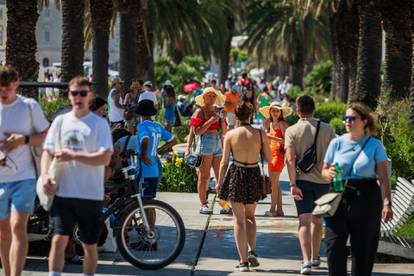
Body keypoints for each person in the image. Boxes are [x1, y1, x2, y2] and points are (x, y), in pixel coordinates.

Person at [42, 76, 113, 276]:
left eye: (83, 93)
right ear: (69, 95)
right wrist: (46, 175)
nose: (79, 97)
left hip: (90, 195)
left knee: (89, 244)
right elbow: (48, 151)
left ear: (90, 96)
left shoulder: (99, 124)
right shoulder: (60, 122)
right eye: (75, 93)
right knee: (58, 239)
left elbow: (104, 158)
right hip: (63, 192)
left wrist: (74, 155)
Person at [321, 102, 393, 276]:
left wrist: (387, 203)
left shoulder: (375, 145)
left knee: (363, 250)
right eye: (345, 118)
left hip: (366, 197)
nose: (348, 121)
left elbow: (383, 178)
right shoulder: (336, 143)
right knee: (334, 245)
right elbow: (324, 170)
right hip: (337, 192)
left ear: (364, 121)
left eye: (352, 118)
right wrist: (328, 173)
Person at [0, 66, 49, 276]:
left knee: (18, 226)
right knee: (3, 232)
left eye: (7, 88)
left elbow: (46, 135)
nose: (3, 93)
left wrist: (24, 140)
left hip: (25, 178)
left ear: (16, 84)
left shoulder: (29, 106)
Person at [216, 102, 271, 272]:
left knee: (238, 220)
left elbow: (224, 162)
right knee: (250, 217)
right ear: (251, 115)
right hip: (253, 174)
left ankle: (243, 261)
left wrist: (219, 182)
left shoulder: (231, 135)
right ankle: (252, 251)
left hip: (237, 174)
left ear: (237, 116)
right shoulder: (260, 134)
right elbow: (268, 157)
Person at [284, 95, 336, 275]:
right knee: (318, 221)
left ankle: (305, 261)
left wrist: (292, 184)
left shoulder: (291, 131)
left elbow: (290, 159)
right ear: (314, 109)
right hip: (324, 182)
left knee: (304, 221)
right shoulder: (328, 129)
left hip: (302, 182)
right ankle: (315, 257)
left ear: (297, 111)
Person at [190, 87, 227, 214]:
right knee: (204, 176)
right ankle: (203, 204)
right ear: (204, 98)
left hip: (216, 142)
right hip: (205, 142)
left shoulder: (217, 111)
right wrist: (210, 121)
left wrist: (223, 119)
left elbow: (224, 131)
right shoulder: (200, 111)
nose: (211, 98)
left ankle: (223, 203)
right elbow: (196, 132)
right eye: (209, 96)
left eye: (213, 96)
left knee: (220, 175)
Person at [135, 99, 177, 204]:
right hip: (154, 169)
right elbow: (173, 140)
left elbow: (145, 140)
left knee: (143, 203)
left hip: (144, 170)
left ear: (141, 113)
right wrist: (159, 150)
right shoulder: (157, 126)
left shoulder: (142, 126)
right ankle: (151, 221)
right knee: (151, 202)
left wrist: (144, 155)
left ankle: (147, 221)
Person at [259, 102, 292, 217]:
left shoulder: (282, 124)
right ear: (270, 112)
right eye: (273, 110)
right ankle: (280, 210)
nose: (275, 113)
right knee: (276, 184)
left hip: (278, 155)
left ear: (281, 112)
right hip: (271, 154)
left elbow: (287, 141)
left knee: (274, 183)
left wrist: (269, 136)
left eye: (278, 111)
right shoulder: (271, 123)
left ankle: (273, 210)